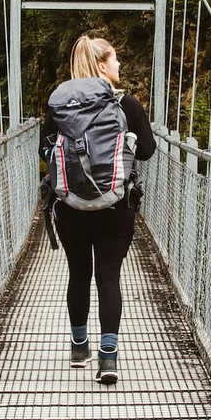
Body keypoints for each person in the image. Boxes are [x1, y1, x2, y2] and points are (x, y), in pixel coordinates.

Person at [42, 35, 156, 384]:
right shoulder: (127, 105)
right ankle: (109, 359)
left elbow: (43, 152)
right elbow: (148, 151)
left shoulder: (58, 105)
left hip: (71, 206)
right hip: (114, 206)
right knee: (108, 277)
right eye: (115, 59)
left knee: (78, 274)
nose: (119, 65)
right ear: (102, 65)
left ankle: (79, 348)